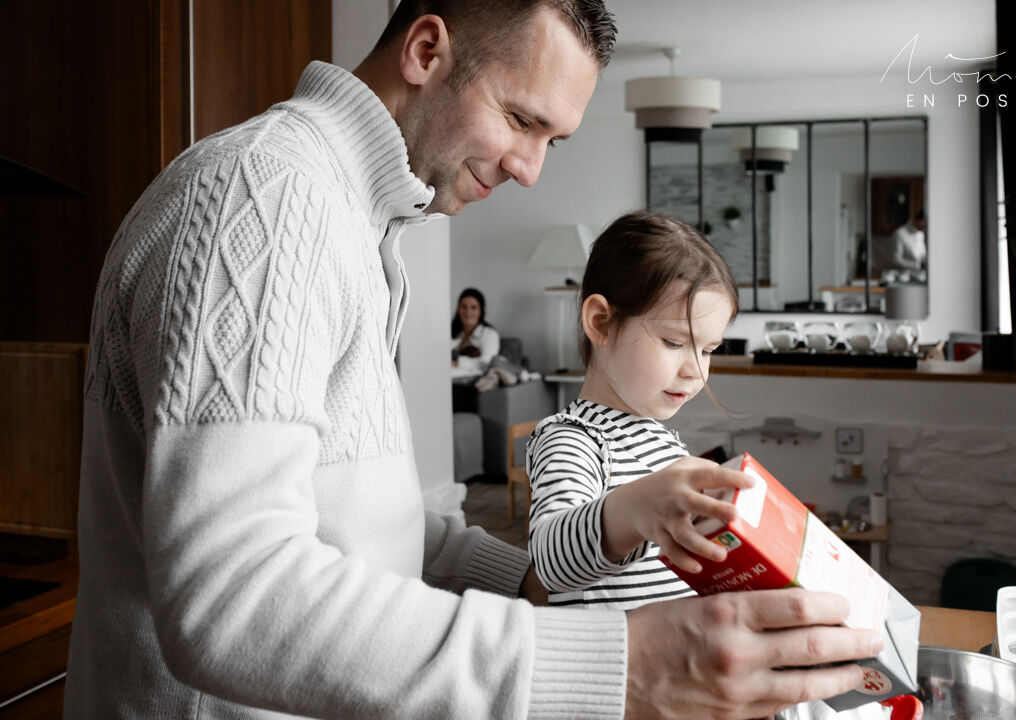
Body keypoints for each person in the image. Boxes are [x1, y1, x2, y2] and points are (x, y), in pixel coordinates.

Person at [65, 2, 881, 719]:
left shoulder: (360, 228)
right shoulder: (271, 196)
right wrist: (622, 667)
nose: (530, 169)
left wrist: (552, 576)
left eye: (552, 139)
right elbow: (231, 600)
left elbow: (363, 525)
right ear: (427, 51)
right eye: (523, 122)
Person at [527, 210, 752, 609]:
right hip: (612, 664)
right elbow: (550, 561)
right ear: (601, 322)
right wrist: (632, 512)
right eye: (673, 342)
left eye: (708, 350)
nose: (695, 370)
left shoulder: (663, 442)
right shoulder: (574, 439)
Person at [451, 287, 500, 379]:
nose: (468, 312)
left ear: (481, 310)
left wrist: (457, 362)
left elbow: (487, 362)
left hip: (468, 382)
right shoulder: (451, 332)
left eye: (473, 308)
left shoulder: (489, 334)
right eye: (464, 307)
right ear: (458, 309)